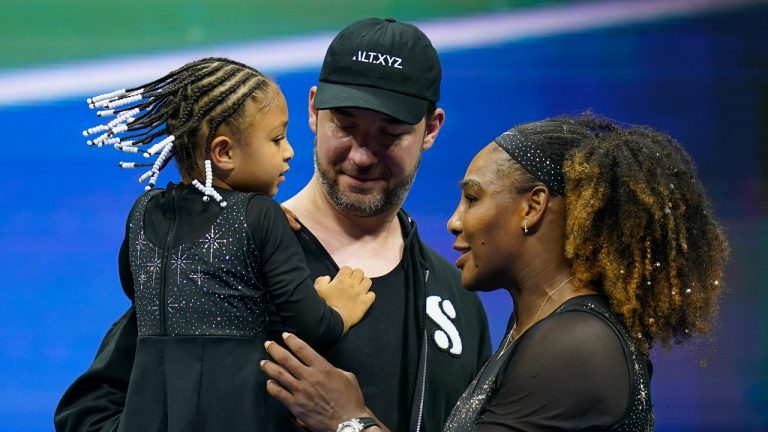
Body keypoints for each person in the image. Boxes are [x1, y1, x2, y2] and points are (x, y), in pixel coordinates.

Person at [55, 18, 493, 432]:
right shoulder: (220, 249)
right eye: (345, 124)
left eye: (390, 133)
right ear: (314, 110)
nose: (362, 155)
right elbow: (89, 413)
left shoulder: (455, 300)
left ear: (431, 129)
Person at [261, 113, 729, 431]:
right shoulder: (540, 329)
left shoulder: (575, 345)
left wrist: (348, 417)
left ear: (533, 207)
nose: (454, 221)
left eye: (473, 197)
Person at [56, 57, 375, 432]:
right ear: (223, 153)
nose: (289, 151)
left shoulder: (142, 211)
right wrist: (337, 309)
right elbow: (310, 327)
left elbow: (136, 291)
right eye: (276, 139)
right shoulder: (260, 215)